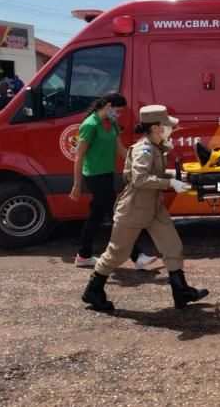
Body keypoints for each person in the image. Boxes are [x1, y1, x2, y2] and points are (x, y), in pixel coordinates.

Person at [82, 105, 208, 311]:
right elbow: (140, 179)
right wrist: (170, 184)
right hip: (134, 207)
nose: (171, 128)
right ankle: (93, 291)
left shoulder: (156, 146)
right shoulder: (144, 149)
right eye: (168, 125)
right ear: (156, 127)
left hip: (153, 206)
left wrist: (180, 177)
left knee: (172, 247)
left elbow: (156, 173)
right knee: (117, 253)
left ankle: (181, 291)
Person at [70, 92, 158, 269]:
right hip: (94, 176)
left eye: (120, 112)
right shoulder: (90, 125)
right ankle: (137, 256)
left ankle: (83, 256)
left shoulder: (112, 124)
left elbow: (122, 149)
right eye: (117, 111)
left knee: (95, 215)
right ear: (108, 106)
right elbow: (79, 156)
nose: (118, 115)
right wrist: (77, 185)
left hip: (107, 174)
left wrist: (137, 167)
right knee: (118, 215)